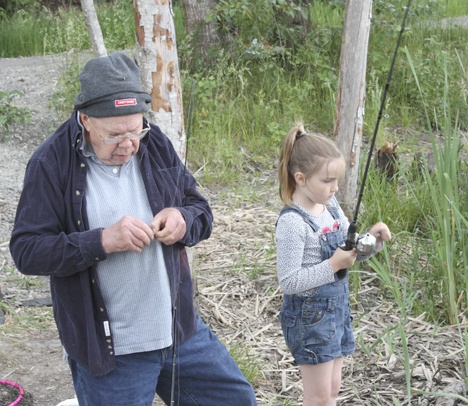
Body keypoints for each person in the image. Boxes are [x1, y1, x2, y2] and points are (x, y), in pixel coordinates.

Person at [10, 51, 257, 406]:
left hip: (179, 332)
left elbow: (200, 210)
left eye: (134, 130)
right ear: (86, 120)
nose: (128, 144)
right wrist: (102, 241)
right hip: (112, 351)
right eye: (114, 135)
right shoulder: (50, 163)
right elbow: (27, 251)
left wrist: (182, 219)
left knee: (237, 401)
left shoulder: (153, 142)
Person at [275, 124, 392, 406]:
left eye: (337, 180)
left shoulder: (330, 205)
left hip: (336, 311)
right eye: (327, 180)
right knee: (317, 397)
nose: (335, 188)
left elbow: (346, 254)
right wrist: (331, 265)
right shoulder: (292, 222)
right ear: (301, 179)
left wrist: (371, 242)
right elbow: (288, 282)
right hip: (310, 319)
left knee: (332, 390)